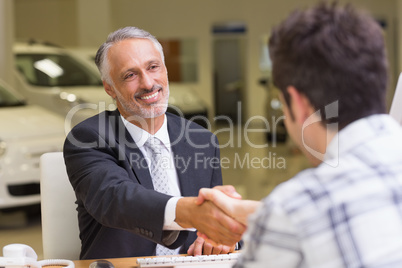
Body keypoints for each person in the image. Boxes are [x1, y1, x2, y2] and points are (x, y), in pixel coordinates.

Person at [196, 2, 402, 267]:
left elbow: (301, 215)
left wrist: (272, 219)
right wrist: (256, 213)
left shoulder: (292, 210)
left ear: (298, 103)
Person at [63, 26, 245, 259]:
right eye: (130, 75)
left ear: (165, 70)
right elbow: (115, 198)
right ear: (110, 88)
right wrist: (190, 212)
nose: (148, 83)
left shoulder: (202, 140)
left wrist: (220, 238)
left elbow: (213, 227)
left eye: (153, 67)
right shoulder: (87, 138)